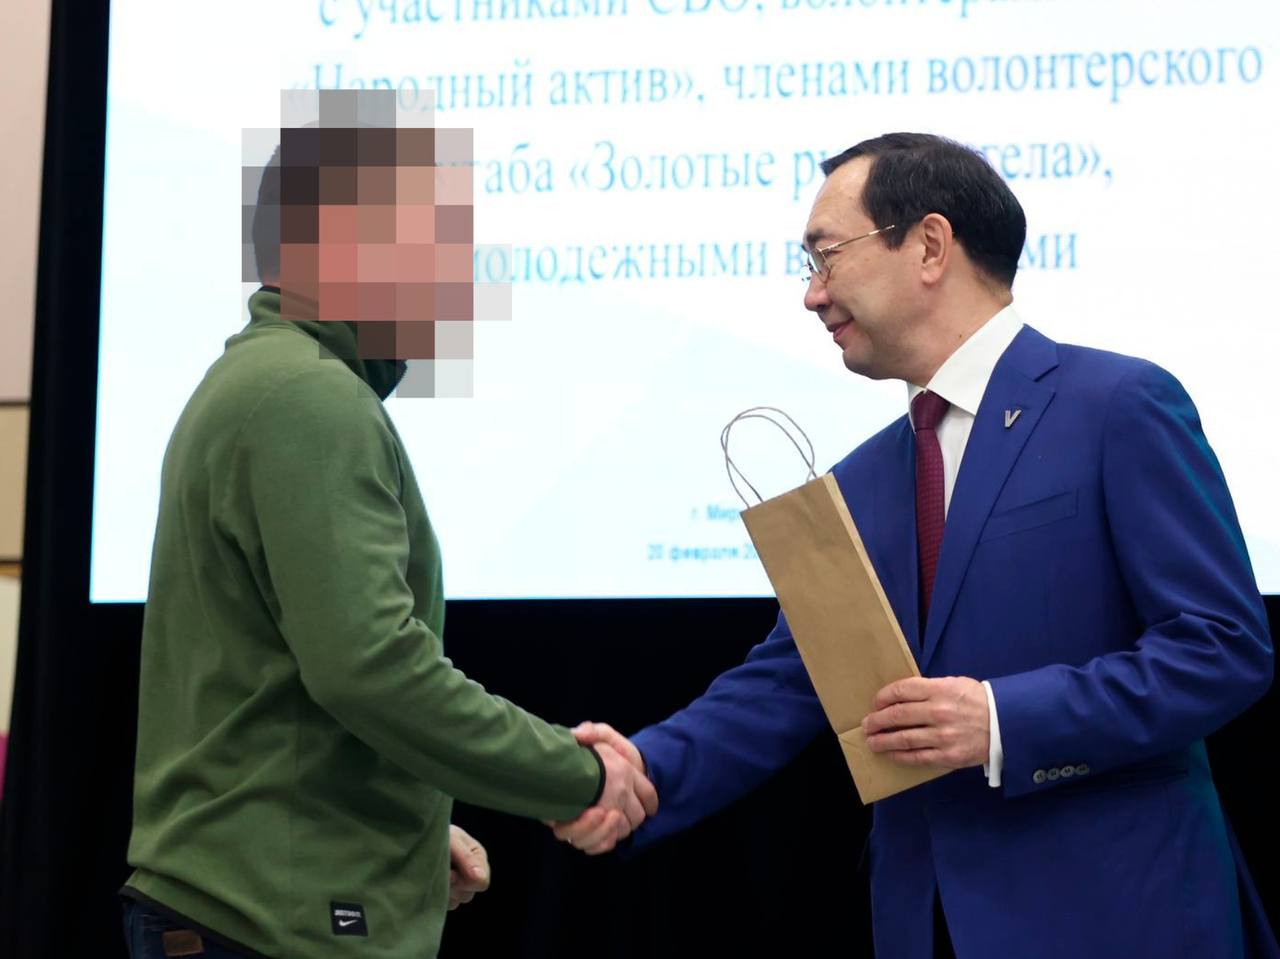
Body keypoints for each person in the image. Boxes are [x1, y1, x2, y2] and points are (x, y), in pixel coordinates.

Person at [555, 133, 1276, 958]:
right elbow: (788, 681)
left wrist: (1001, 719)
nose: (811, 295)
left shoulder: (1119, 405)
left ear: (930, 245)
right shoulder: (861, 480)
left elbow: (1221, 646)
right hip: (924, 924)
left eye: (826, 255)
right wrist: (637, 770)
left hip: (1117, 916)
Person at [121, 95, 657, 959]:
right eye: (432, 237)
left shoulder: (266, 382)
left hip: (254, 903)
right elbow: (372, 669)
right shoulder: (310, 400)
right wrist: (577, 774)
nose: (457, 273)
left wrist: (396, 838)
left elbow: (274, 683)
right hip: (267, 926)